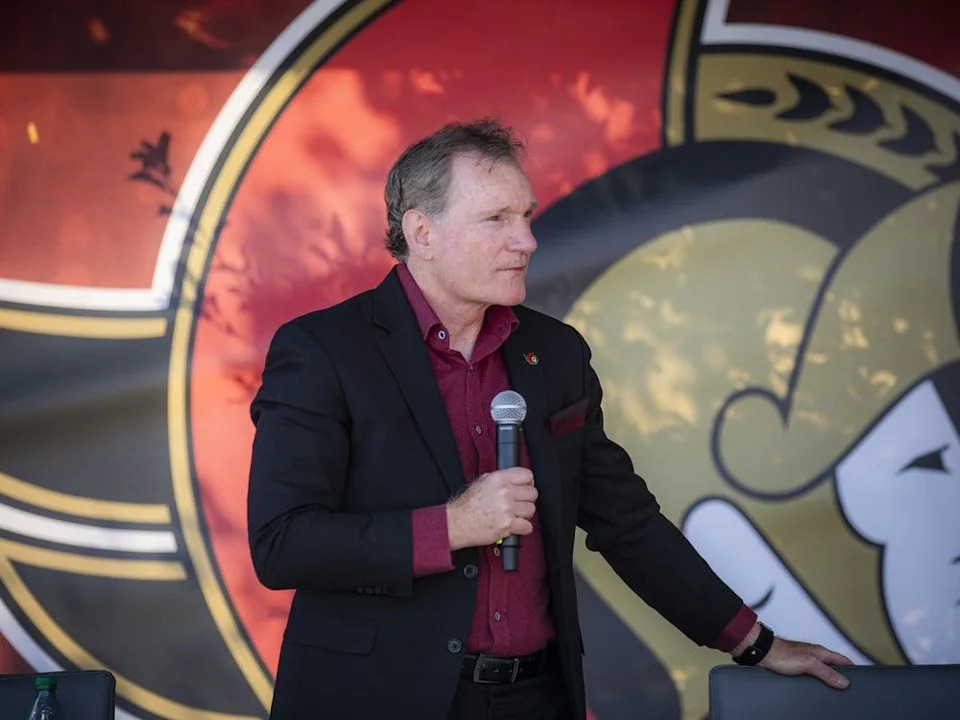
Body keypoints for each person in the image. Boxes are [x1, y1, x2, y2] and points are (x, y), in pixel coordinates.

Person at [247, 119, 852, 719]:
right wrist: (453, 524)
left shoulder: (555, 353)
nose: (527, 241)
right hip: (375, 697)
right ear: (422, 232)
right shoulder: (324, 350)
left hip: (534, 696)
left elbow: (627, 521)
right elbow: (283, 544)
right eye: (497, 220)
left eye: (526, 216)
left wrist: (755, 643)